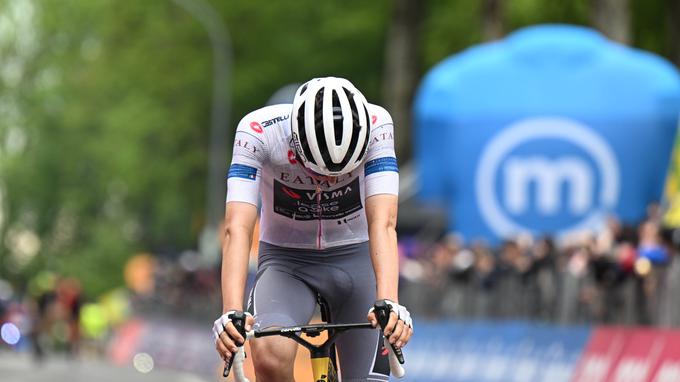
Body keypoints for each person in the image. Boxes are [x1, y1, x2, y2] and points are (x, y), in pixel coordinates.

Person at [213, 77, 413, 381]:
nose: (329, 182)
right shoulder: (257, 133)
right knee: (269, 357)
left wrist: (389, 302)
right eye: (318, 171)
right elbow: (237, 228)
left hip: (356, 260)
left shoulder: (378, 126)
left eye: (343, 173)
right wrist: (231, 312)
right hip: (286, 264)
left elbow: (383, 222)